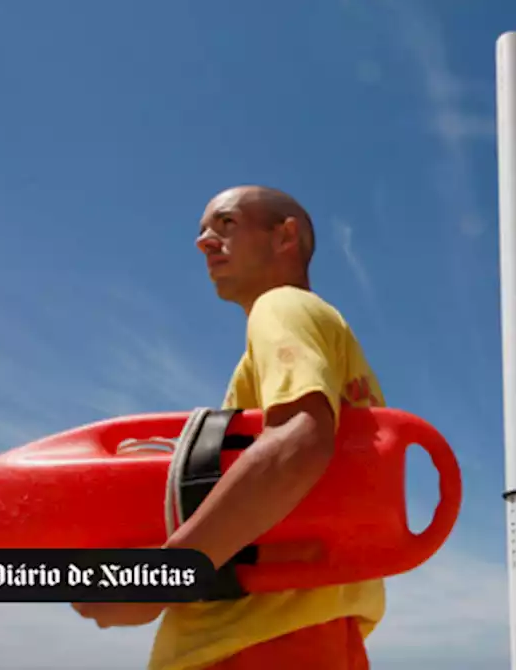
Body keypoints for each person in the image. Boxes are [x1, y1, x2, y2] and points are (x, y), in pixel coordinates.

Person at [72, 185, 386, 669]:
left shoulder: (281, 307)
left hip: (253, 645)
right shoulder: (328, 339)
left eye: (226, 224)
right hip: (312, 635)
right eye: (201, 231)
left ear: (285, 237)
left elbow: (298, 442)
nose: (203, 240)